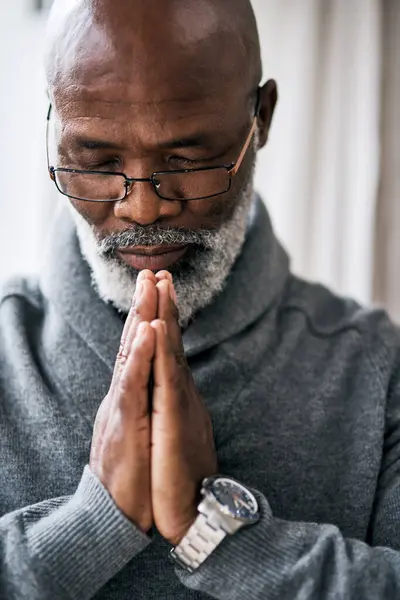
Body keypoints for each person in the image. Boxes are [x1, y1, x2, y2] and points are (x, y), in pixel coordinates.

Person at [0, 0, 399, 598]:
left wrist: (217, 531)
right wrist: (88, 527)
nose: (142, 208)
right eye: (96, 161)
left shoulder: (377, 369)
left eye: (187, 160)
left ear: (261, 119)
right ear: (55, 125)